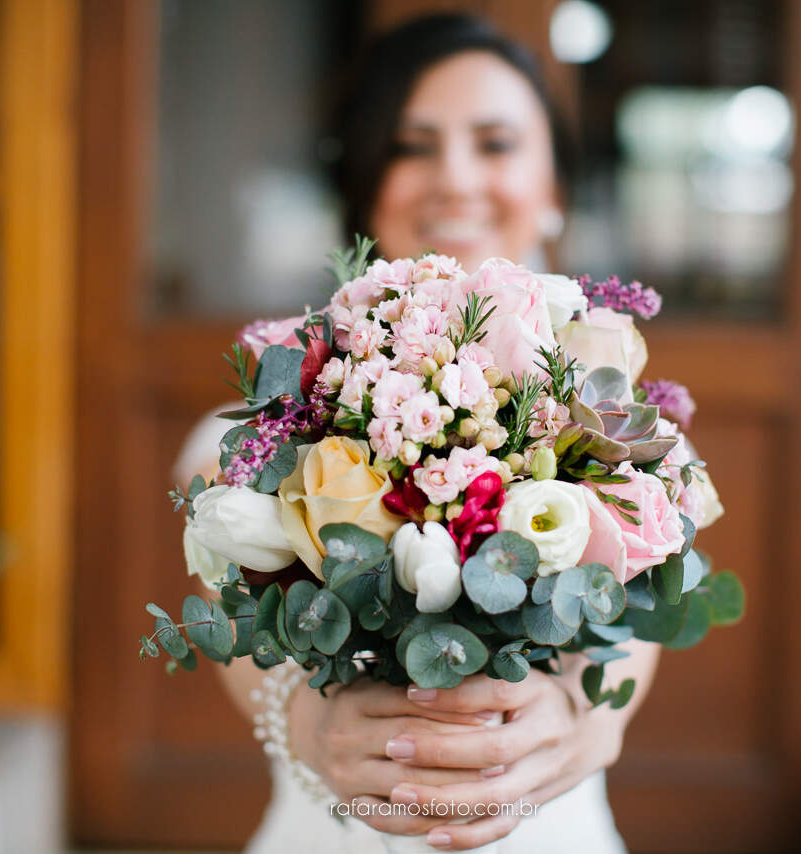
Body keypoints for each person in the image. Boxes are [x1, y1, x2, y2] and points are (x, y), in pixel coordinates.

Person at [173, 14, 660, 853]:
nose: (456, 179)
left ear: (554, 188)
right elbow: (240, 637)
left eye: (497, 143)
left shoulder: (624, 419)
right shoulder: (262, 426)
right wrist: (299, 718)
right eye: (412, 145)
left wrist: (587, 717)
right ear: (364, 182)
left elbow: (643, 601)